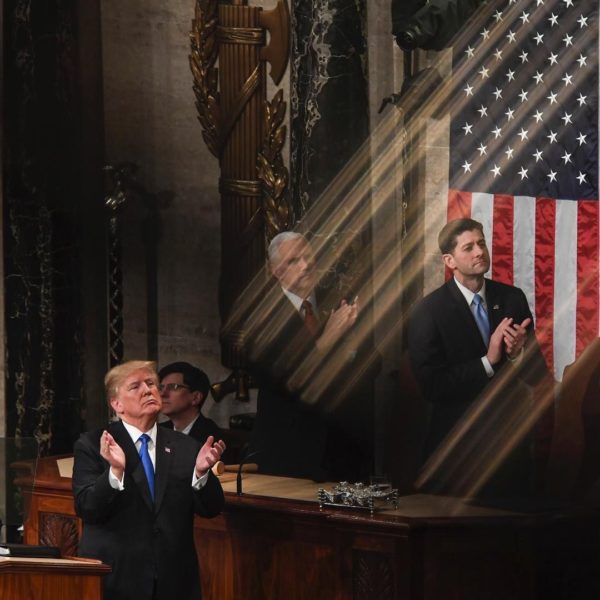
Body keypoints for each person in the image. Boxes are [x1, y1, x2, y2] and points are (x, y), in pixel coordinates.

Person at [408, 218, 548, 495]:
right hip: (456, 452)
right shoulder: (428, 311)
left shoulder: (512, 298)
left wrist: (518, 354)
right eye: (468, 247)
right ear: (449, 261)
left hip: (509, 447)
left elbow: (538, 377)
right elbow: (432, 387)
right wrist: (488, 361)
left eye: (481, 243)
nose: (479, 252)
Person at [72, 360, 226, 600]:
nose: (148, 390)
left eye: (151, 383)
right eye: (135, 386)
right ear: (117, 404)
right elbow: (87, 509)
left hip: (174, 581)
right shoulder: (94, 444)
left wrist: (201, 474)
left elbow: (211, 508)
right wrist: (114, 472)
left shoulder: (187, 447)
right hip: (116, 580)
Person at [244, 231, 379, 481]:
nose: (306, 266)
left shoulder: (335, 302)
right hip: (290, 453)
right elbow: (285, 381)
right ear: (275, 270)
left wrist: (350, 347)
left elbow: (374, 364)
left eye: (309, 257)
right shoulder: (262, 318)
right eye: (294, 261)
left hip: (343, 448)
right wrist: (329, 336)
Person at [158, 361, 222, 443]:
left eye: (173, 387)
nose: (163, 394)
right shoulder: (158, 432)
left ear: (196, 398)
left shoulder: (213, 438)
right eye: (161, 387)